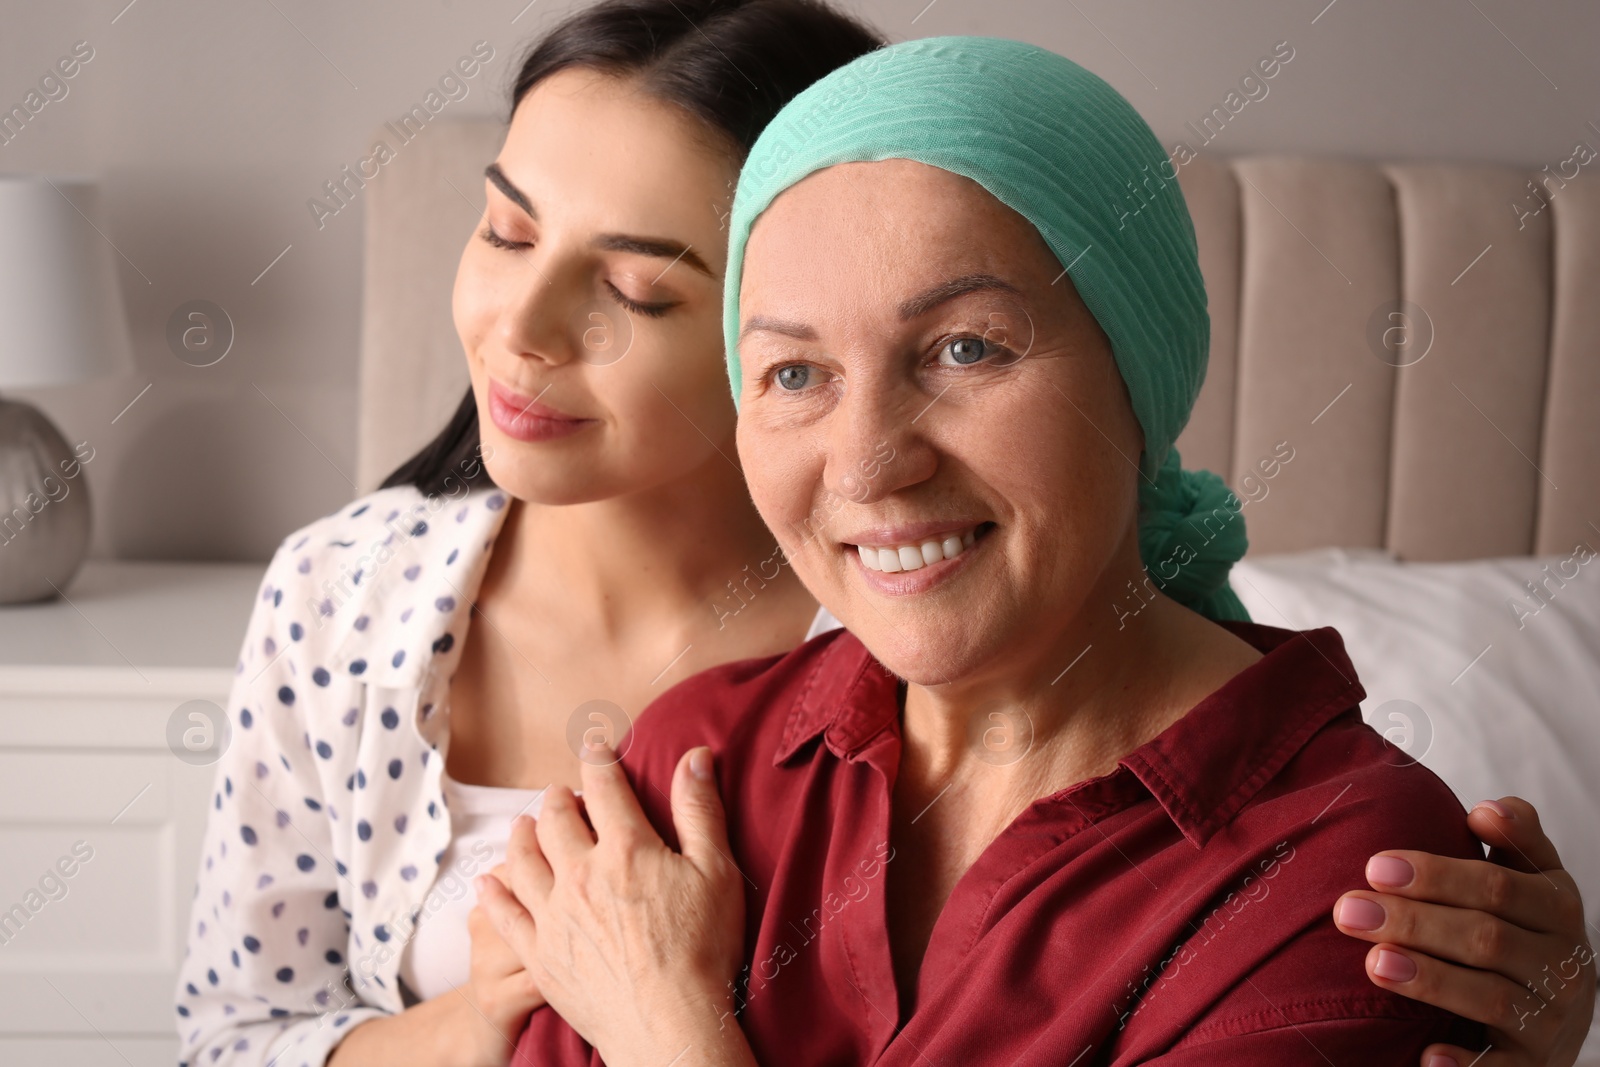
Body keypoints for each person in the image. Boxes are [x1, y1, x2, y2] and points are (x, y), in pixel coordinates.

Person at [174, 4, 1592, 1065]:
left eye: (968, 348)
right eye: (796, 370)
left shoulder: (1349, 876)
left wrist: (673, 1029)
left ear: (1137, 371)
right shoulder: (686, 763)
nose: (870, 459)